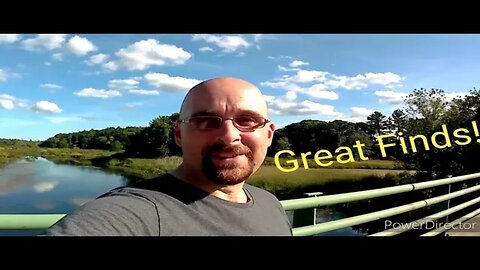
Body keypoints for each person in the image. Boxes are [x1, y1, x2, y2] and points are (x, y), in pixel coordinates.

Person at [44, 77, 292, 236]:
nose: (229, 136)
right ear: (179, 134)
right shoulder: (139, 211)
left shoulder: (270, 204)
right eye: (205, 121)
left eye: (247, 121)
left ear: (269, 135)